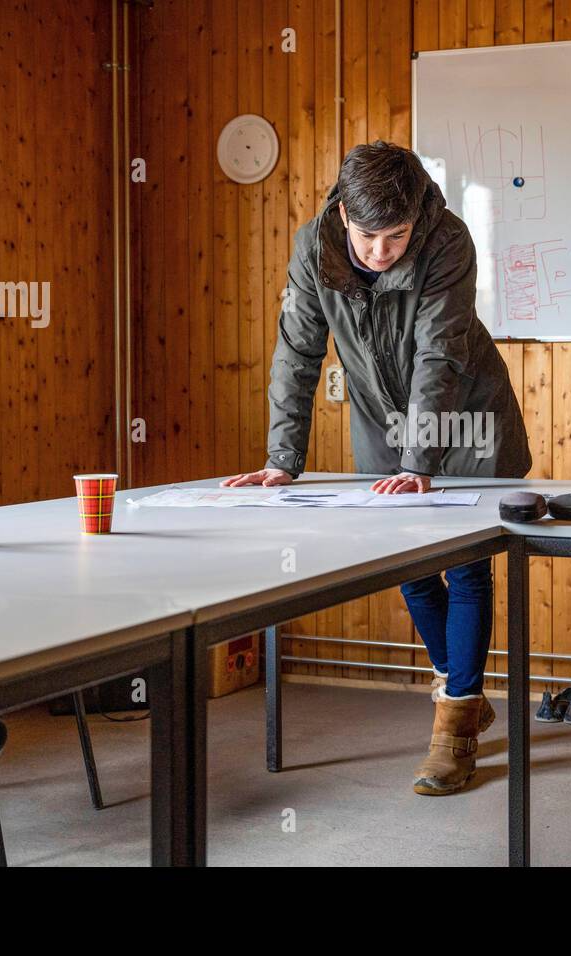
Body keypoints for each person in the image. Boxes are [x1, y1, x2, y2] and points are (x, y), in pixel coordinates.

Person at [223, 141, 532, 795]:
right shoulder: (313, 248)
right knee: (409, 566)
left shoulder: (449, 241)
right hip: (381, 423)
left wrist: (421, 458)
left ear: (416, 219)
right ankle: (464, 693)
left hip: (468, 416)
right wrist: (283, 459)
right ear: (343, 217)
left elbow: (438, 352)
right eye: (369, 237)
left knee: (464, 562)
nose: (381, 252)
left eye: (396, 237)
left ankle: (453, 734)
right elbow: (295, 354)